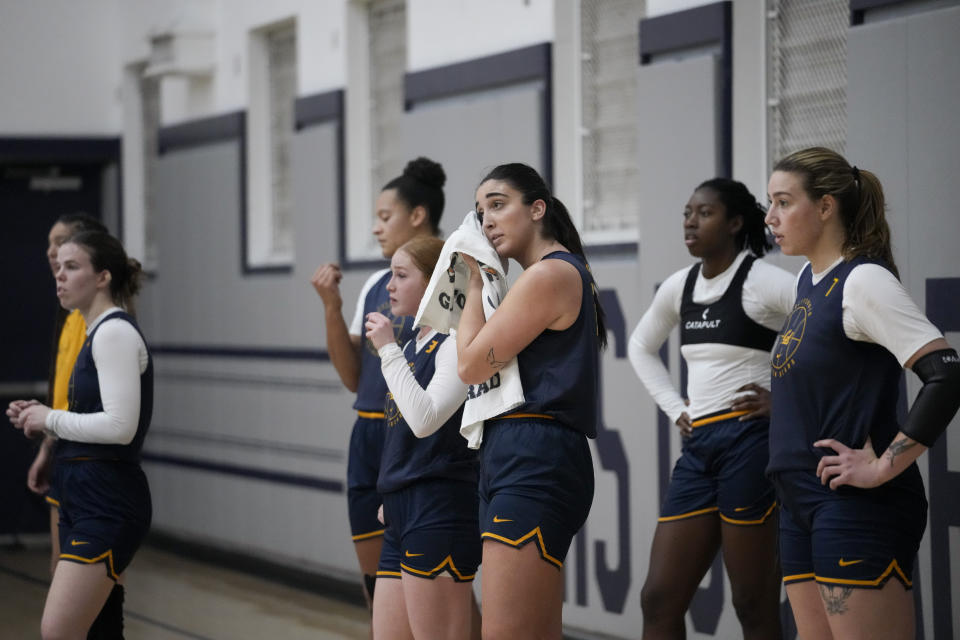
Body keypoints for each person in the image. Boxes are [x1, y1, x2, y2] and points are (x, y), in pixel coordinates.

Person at [764, 147, 960, 639]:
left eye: (784, 202)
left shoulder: (864, 280)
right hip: (799, 501)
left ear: (826, 206)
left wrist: (883, 466)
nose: (771, 218)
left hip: (853, 507)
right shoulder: (808, 280)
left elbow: (947, 374)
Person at [628, 178, 794, 639]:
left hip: (750, 445)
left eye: (704, 213)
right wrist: (672, 406)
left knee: (752, 601)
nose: (690, 221)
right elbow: (640, 347)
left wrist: (786, 401)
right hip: (699, 448)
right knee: (658, 597)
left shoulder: (763, 281)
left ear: (735, 222)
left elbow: (828, 328)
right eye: (687, 212)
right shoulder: (680, 287)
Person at [456, 163, 605, 639]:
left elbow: (470, 366)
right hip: (514, 448)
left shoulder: (549, 275)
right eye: (480, 213)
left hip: (536, 452)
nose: (487, 222)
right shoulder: (541, 276)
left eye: (498, 205)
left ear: (537, 208)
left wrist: (475, 288)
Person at [310, 157, 446, 613]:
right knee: (379, 584)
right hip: (367, 434)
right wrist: (331, 307)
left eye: (385, 216)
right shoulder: (375, 283)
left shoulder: (451, 278)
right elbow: (354, 378)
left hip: (416, 436)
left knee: (438, 589)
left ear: (418, 215)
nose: (376, 228)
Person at [8, 230, 152, 640]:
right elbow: (93, 417)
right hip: (82, 493)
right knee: (100, 631)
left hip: (107, 500)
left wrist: (51, 418)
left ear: (103, 276)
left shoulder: (113, 333)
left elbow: (120, 427)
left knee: (59, 631)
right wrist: (41, 417)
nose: (60, 275)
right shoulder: (96, 334)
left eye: (72, 267)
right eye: (58, 267)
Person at [364, 235, 479, 640]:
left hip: (439, 509)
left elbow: (425, 420)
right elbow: (399, 431)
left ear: (435, 282)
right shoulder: (414, 343)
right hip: (401, 511)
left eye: (400, 275)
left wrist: (387, 351)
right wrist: (391, 489)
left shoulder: (455, 343)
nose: (389, 286)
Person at [27, 213, 109, 576]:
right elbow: (64, 394)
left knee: (78, 576)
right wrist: (48, 445)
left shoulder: (106, 327)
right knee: (62, 571)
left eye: (59, 244)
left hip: (89, 461)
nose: (50, 253)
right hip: (65, 450)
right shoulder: (72, 313)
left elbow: (102, 409)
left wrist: (50, 425)